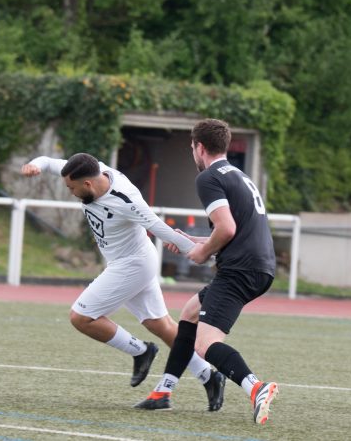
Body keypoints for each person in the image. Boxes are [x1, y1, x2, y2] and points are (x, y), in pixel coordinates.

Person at [22, 152, 226, 411]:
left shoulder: (125, 199)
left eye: (72, 188)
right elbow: (49, 162)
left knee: (81, 317)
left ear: (88, 184)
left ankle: (140, 351)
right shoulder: (87, 169)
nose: (71, 192)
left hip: (133, 265)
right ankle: (209, 376)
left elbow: (162, 230)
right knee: (161, 325)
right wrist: (35, 165)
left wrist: (210, 257)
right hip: (131, 261)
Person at [135, 118, 279, 425]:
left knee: (205, 344)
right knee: (189, 314)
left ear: (199, 147)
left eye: (192, 148)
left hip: (240, 269)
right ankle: (163, 391)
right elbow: (235, 231)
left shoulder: (208, 177)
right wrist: (193, 240)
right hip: (257, 266)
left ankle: (256, 387)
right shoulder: (238, 175)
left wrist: (201, 252)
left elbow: (227, 229)